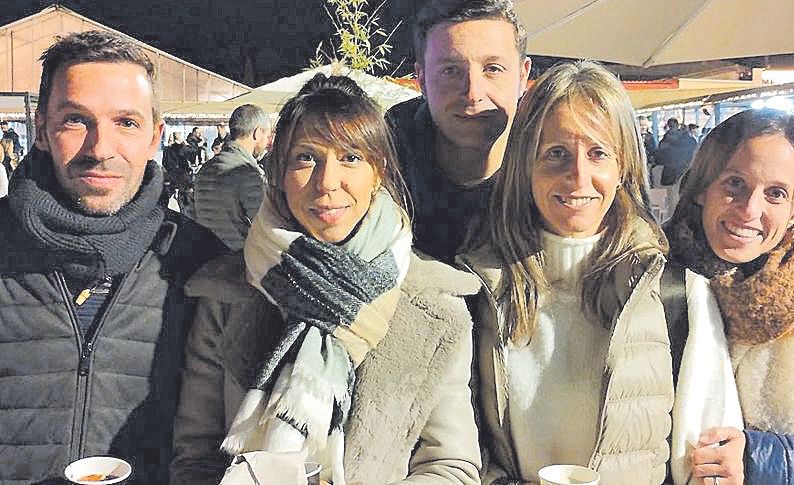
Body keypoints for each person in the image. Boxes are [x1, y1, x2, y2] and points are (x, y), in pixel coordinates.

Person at [171, 74, 481, 485]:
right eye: (306, 158)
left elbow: (451, 466)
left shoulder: (437, 306)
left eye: (350, 157)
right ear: (279, 173)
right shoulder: (228, 294)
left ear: (379, 172)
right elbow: (195, 456)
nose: (327, 182)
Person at [0, 30, 226, 485]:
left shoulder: (203, 264)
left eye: (126, 122)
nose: (100, 149)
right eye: (75, 120)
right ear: (41, 129)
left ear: (154, 136)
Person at [458, 61, 673, 484]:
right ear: (525, 165)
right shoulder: (474, 288)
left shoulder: (668, 288)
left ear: (623, 165)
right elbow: (461, 443)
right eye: (556, 153)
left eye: (598, 153)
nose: (578, 177)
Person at [665, 108, 794, 484]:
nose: (749, 210)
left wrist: (760, 460)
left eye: (775, 193)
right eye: (734, 184)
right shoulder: (654, 288)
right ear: (701, 189)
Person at [386, 0, 532, 263]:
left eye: (493, 69)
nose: (473, 92)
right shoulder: (381, 158)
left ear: (523, 76)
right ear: (422, 79)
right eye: (451, 71)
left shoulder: (556, 156)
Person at [193, 104, 272, 250]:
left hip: (206, 260)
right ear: (257, 133)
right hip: (238, 261)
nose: (267, 143)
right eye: (267, 136)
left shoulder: (205, 169)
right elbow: (265, 225)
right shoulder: (247, 172)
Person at [655, 117, 697, 185]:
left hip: (676, 174)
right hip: (679, 174)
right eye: (670, 126)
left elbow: (659, 158)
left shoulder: (665, 142)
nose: (671, 128)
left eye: (672, 126)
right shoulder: (689, 139)